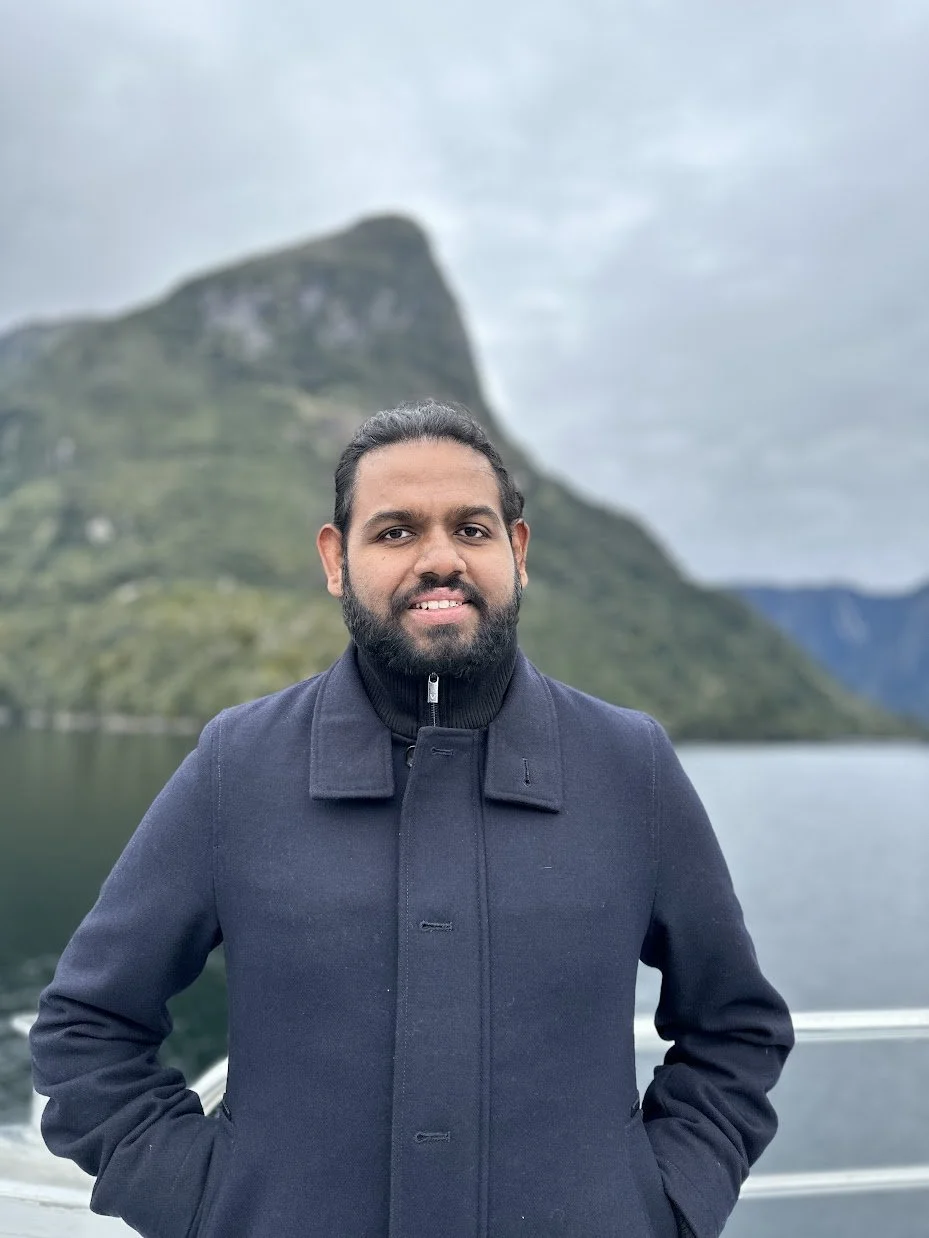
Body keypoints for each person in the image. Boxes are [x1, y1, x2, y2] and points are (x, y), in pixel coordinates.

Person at [30, 400, 794, 1238]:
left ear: (517, 551)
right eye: (395, 532)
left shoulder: (629, 765)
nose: (440, 559)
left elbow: (734, 1030)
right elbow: (87, 1030)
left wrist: (661, 1207)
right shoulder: (236, 766)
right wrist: (214, 1207)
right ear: (335, 558)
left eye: (470, 529)